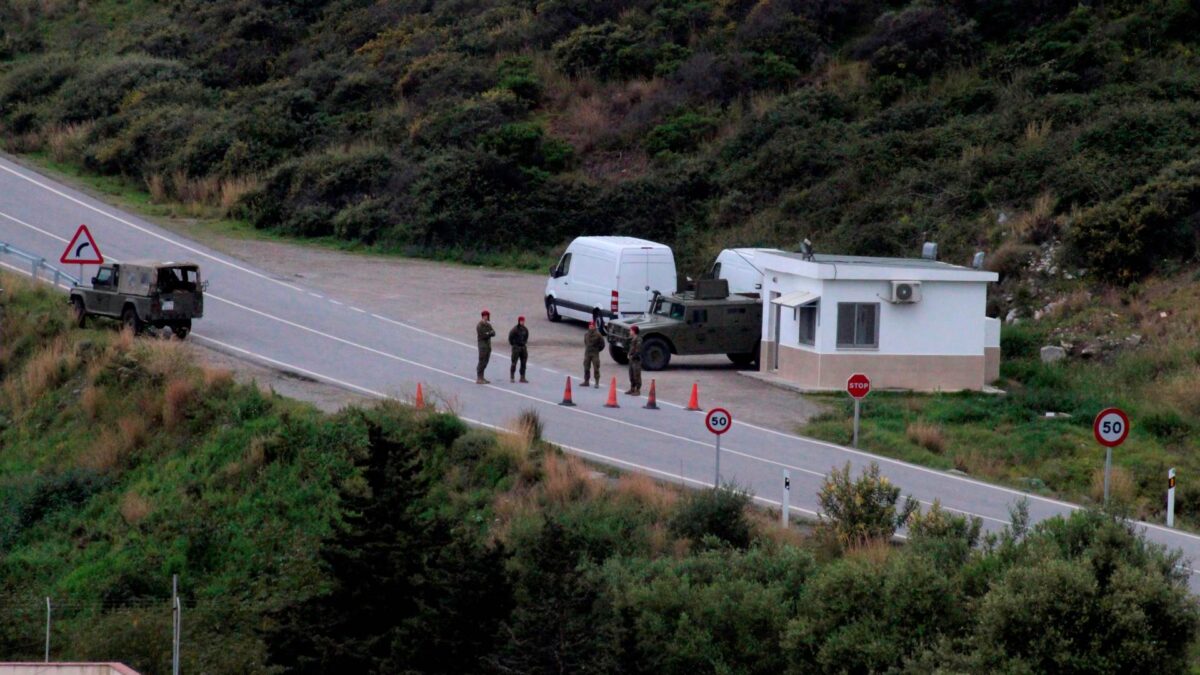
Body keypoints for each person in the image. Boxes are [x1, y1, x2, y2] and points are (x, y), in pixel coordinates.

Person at [582, 321, 604, 387]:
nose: (591, 327)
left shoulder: (598, 335)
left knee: (596, 368)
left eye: (592, 326)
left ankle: (597, 382)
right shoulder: (586, 334)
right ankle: (586, 381)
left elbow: (602, 344)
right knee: (586, 367)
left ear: (594, 326)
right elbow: (585, 342)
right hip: (587, 353)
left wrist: (597, 350)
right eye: (590, 326)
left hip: (595, 353)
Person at [476, 309, 495, 384]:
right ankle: (479, 377)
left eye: (487, 316)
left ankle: (482, 377)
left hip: (487, 345)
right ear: (483, 316)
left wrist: (488, 333)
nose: (487, 317)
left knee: (486, 361)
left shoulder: (488, 325)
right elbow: (483, 335)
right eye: (486, 316)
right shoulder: (480, 325)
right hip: (482, 345)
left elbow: (493, 333)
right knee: (482, 360)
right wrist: (489, 333)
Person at [508, 315, 529, 383]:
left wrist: (524, 343)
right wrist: (513, 344)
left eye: (523, 321)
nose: (522, 322)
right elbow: (510, 337)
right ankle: (512, 377)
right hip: (516, 347)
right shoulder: (515, 329)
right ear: (519, 321)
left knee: (524, 363)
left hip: (523, 347)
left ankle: (522, 377)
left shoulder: (525, 329)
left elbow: (526, 337)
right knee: (514, 362)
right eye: (521, 321)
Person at [625, 325, 643, 396]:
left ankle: (638, 390)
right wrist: (629, 354)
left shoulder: (638, 339)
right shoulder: (632, 339)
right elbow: (631, 348)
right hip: (631, 359)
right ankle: (632, 388)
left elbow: (638, 349)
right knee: (631, 374)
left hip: (636, 359)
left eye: (631, 330)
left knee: (636, 374)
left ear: (634, 331)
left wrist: (633, 355)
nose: (630, 332)